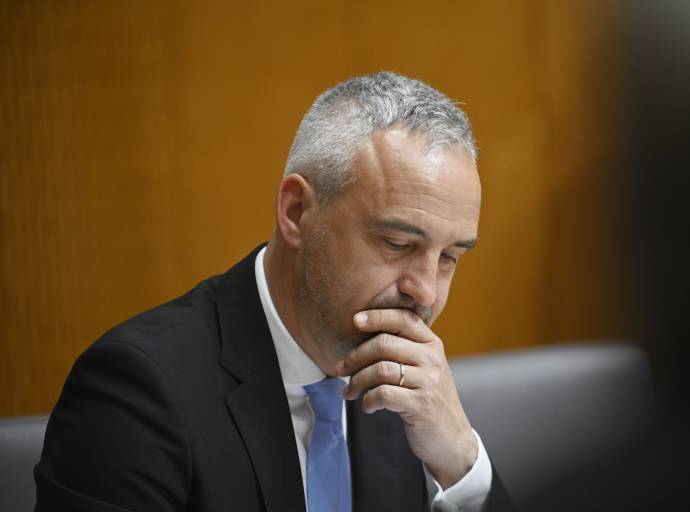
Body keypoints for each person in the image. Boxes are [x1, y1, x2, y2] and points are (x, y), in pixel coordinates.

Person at [34, 72, 516, 512]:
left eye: (450, 257)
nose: (425, 292)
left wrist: (461, 461)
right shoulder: (137, 391)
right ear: (296, 212)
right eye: (396, 243)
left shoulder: (403, 389)